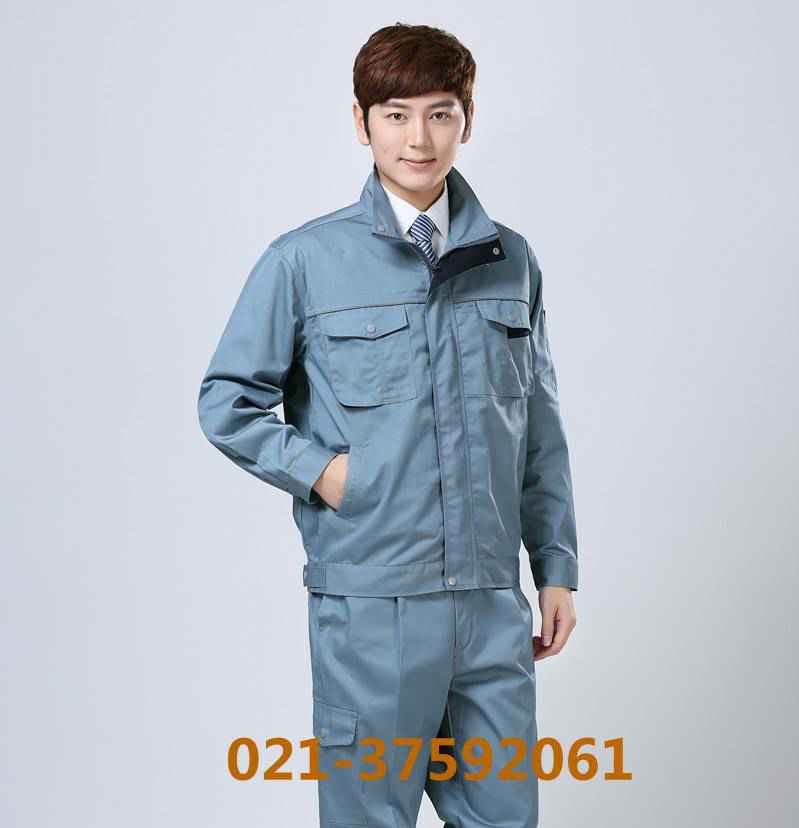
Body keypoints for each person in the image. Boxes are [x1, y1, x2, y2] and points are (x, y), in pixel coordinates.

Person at [198, 22, 578, 828]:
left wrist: (556, 568)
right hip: (372, 606)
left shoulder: (512, 261)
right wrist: (328, 474)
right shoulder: (305, 262)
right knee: (370, 817)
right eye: (396, 115)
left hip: (490, 605)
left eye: (440, 114)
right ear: (361, 121)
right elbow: (226, 402)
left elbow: (538, 428)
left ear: (467, 120)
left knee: (506, 817)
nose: (418, 138)